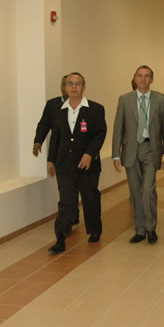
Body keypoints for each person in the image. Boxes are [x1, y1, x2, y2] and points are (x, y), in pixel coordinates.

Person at [47, 72, 107, 253]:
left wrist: (90, 153)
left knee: (90, 197)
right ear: (65, 88)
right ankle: (60, 238)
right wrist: (51, 160)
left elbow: (100, 133)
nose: (74, 87)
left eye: (78, 83)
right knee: (66, 201)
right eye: (70, 84)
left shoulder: (96, 109)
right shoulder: (58, 110)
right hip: (65, 164)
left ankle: (94, 230)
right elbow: (55, 136)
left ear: (84, 87)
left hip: (87, 164)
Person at [112, 66, 164, 244]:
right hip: (130, 150)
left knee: (148, 190)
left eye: (147, 76)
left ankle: (151, 227)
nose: (143, 79)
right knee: (135, 192)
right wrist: (116, 155)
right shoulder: (124, 100)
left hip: (150, 149)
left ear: (151, 80)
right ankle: (139, 229)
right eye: (139, 75)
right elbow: (118, 128)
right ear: (135, 78)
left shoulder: (160, 101)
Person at [32, 76, 80, 225]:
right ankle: (68, 217)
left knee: (75, 186)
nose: (70, 88)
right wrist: (38, 141)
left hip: (78, 152)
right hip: (60, 153)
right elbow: (44, 123)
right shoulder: (53, 104)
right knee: (64, 188)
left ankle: (73, 212)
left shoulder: (81, 104)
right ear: (62, 87)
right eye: (66, 85)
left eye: (74, 84)